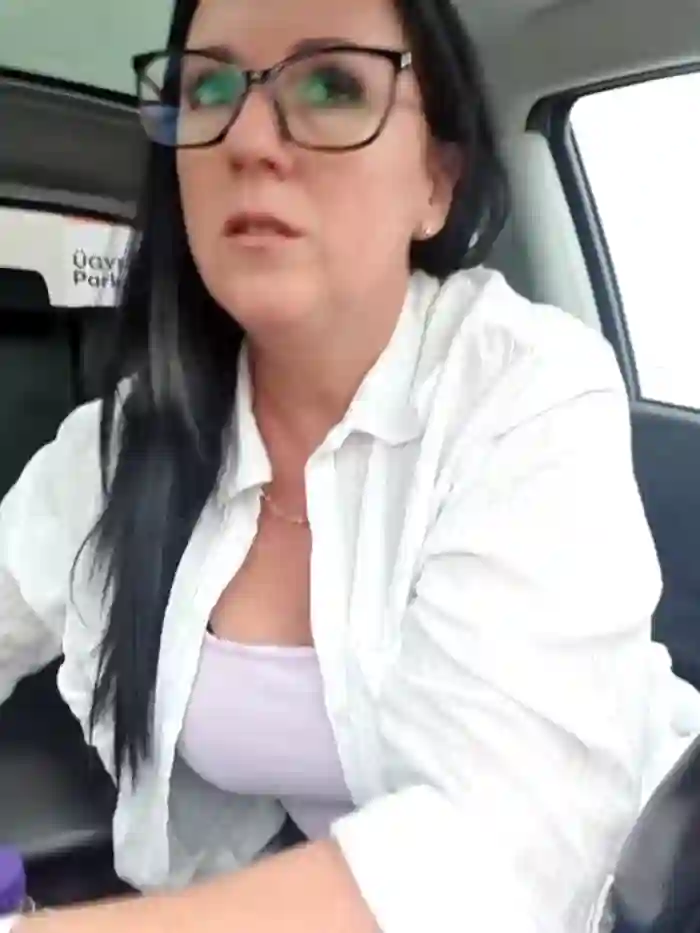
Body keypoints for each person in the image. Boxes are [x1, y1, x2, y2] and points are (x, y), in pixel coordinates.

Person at [0, 0, 696, 930]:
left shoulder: (525, 389)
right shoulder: (128, 442)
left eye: (332, 85)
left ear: (437, 182)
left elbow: (496, 857)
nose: (248, 138)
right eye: (208, 88)